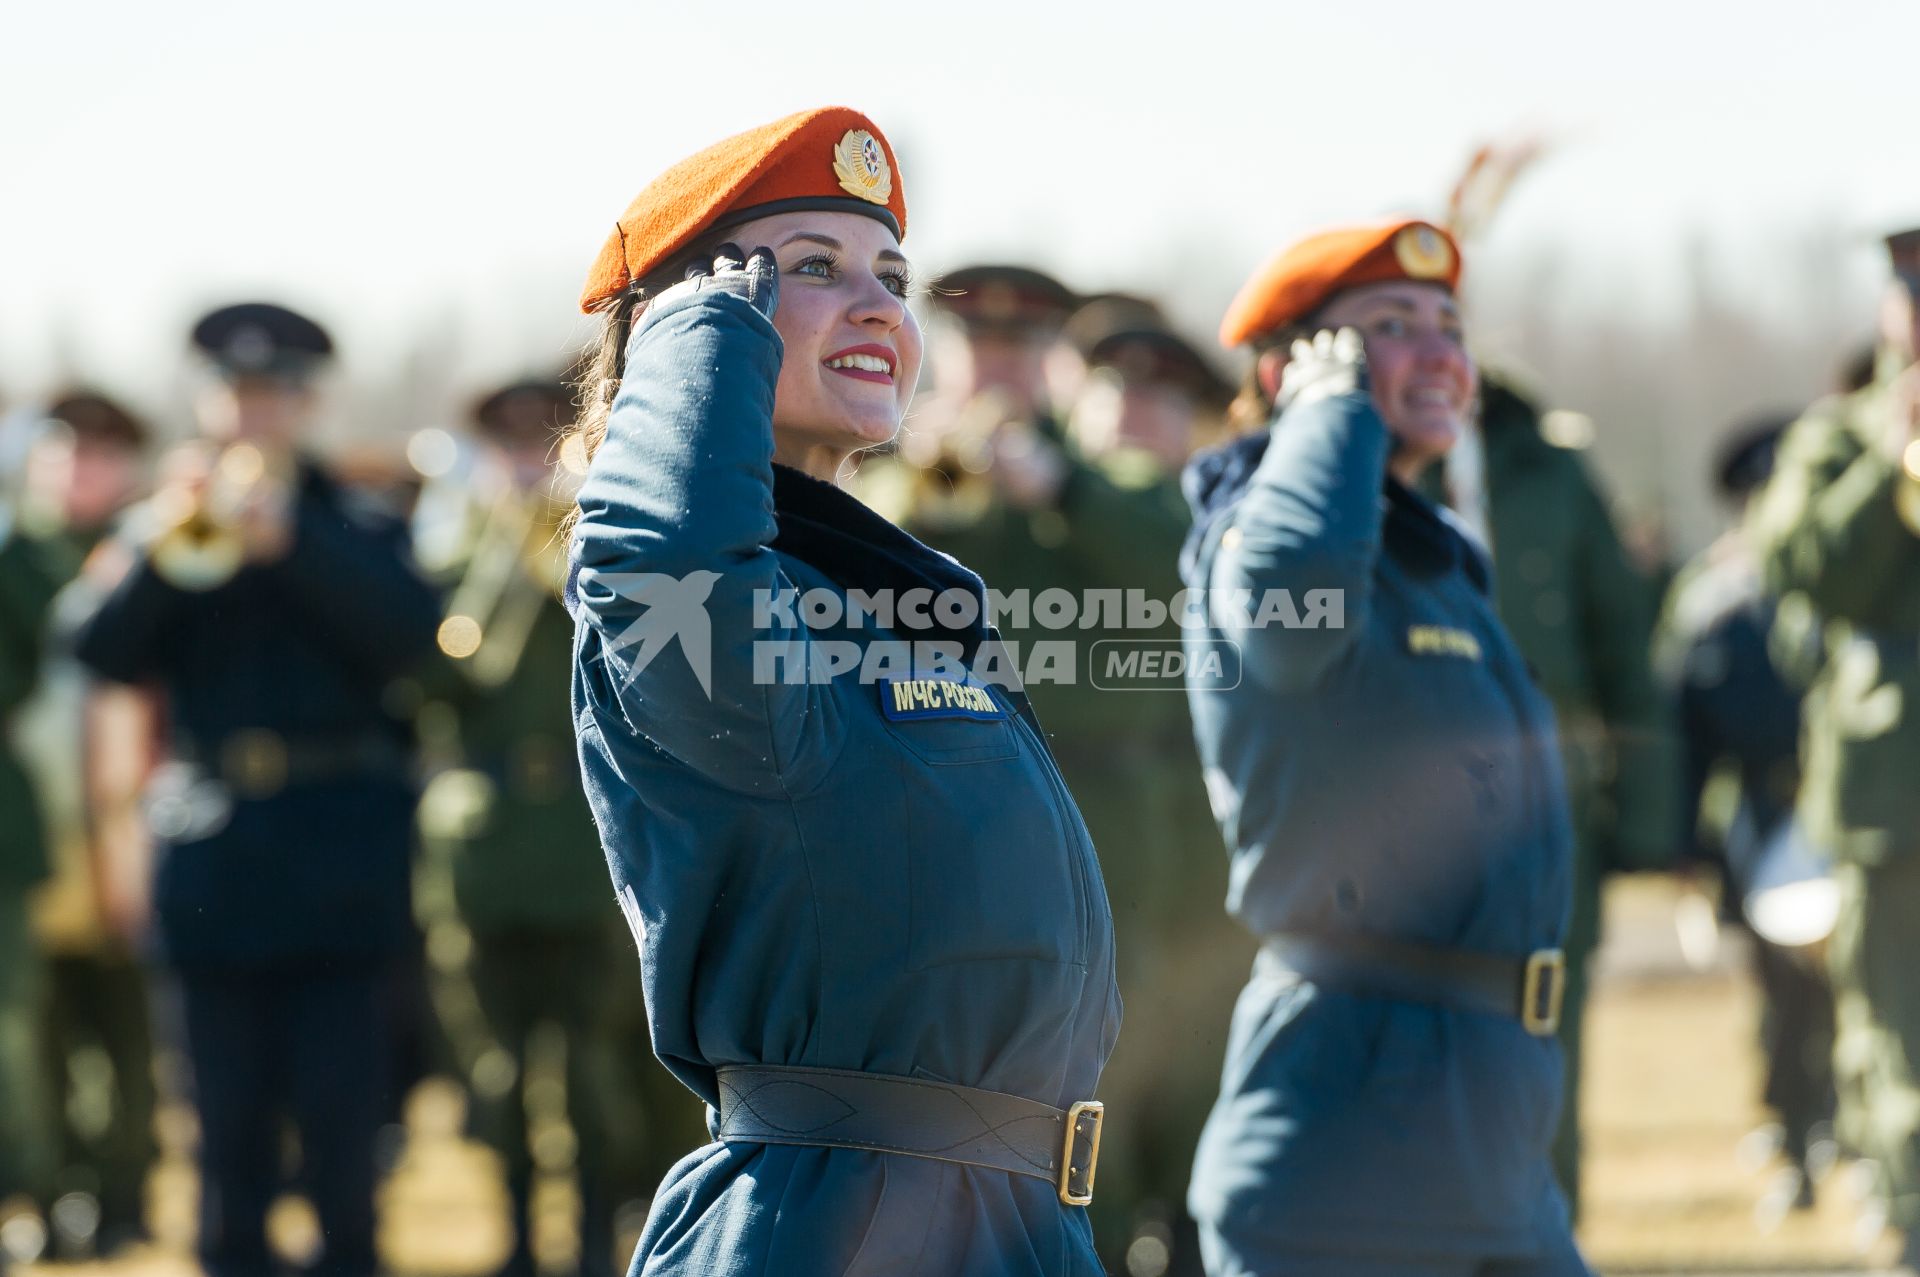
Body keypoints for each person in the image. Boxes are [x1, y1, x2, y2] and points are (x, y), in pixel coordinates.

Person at [565, 106, 1117, 1275]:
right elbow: (669, 562)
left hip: (1011, 1221)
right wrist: (703, 331)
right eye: (811, 268)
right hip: (836, 1222)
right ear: (690, 327)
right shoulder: (685, 593)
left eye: (891, 275)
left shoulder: (888, 594)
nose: (879, 306)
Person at [1181, 218, 1586, 1275]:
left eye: (1449, 326)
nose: (1440, 352)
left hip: (1490, 1129)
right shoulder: (1253, 534)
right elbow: (1285, 609)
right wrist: (1330, 416)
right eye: (1389, 328)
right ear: (1289, 374)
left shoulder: (1431, 563)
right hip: (1349, 1141)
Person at [70, 302, 441, 1277]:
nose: (253, 413)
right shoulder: (161, 519)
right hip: (214, 857)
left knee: (342, 1122)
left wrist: (297, 546)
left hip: (343, 856)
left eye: (273, 393)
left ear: (308, 402)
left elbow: (414, 638)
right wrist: (163, 540)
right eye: (235, 393)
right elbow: (97, 648)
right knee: (222, 1125)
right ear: (207, 401)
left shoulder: (357, 518)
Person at [413, 377, 693, 1277]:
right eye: (509, 444)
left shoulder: (620, 554)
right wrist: (505, 550)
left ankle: (593, 1239)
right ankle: (519, 1241)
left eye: (544, 440)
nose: (526, 461)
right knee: (495, 1067)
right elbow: (445, 681)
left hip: (587, 846)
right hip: (485, 854)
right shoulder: (454, 553)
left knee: (595, 1067)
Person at [1430, 373, 1678, 1213]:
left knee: (1544, 1031)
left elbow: (1622, 651)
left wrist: (1647, 818)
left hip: (1551, 797)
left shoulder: (1553, 470)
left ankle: (1547, 1230)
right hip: (1410, 804)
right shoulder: (1369, 462)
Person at [1748, 223, 1920, 1266]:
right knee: (1902, 1026)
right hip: (1890, 785)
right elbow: (1803, 569)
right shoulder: (1839, 434)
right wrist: (1894, 463)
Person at [1654, 414, 1834, 1223]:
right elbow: (1684, 738)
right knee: (1782, 998)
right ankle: (1795, 1136)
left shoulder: (1842, 578)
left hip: (1846, 812)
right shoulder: (1713, 603)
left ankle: (1851, 1136)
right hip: (1760, 821)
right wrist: (1685, 845)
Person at [12, 392, 159, 1256]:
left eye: (101, 454)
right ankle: (55, 1190)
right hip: (38, 827)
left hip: (131, 828)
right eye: (65, 450)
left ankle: (124, 1189)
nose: (79, 469)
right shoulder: (14, 555)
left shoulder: (148, 548)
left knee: (129, 1030)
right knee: (43, 1030)